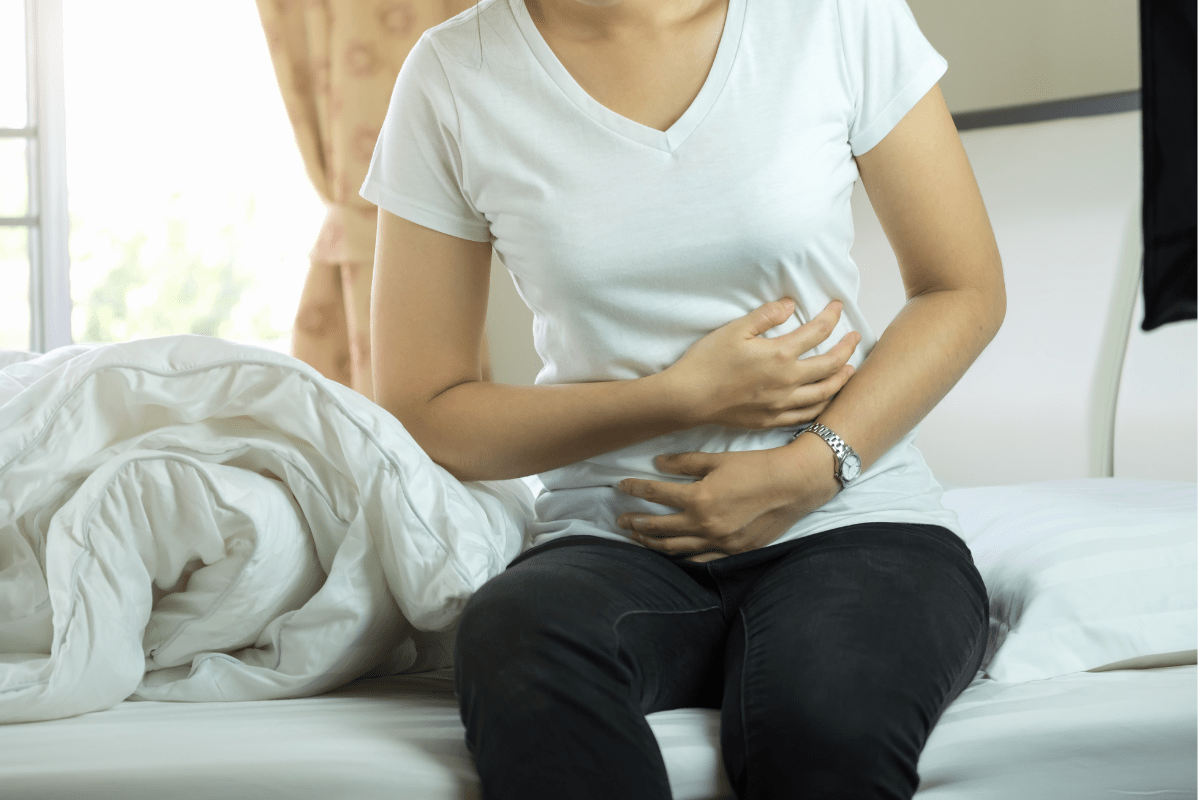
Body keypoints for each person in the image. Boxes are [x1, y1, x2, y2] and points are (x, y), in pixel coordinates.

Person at [361, 0, 1004, 796]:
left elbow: (962, 289)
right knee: (512, 632)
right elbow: (427, 407)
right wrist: (678, 395)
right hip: (617, 541)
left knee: (823, 731)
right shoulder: (456, 72)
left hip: (851, 522)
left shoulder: (833, 16)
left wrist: (807, 471)